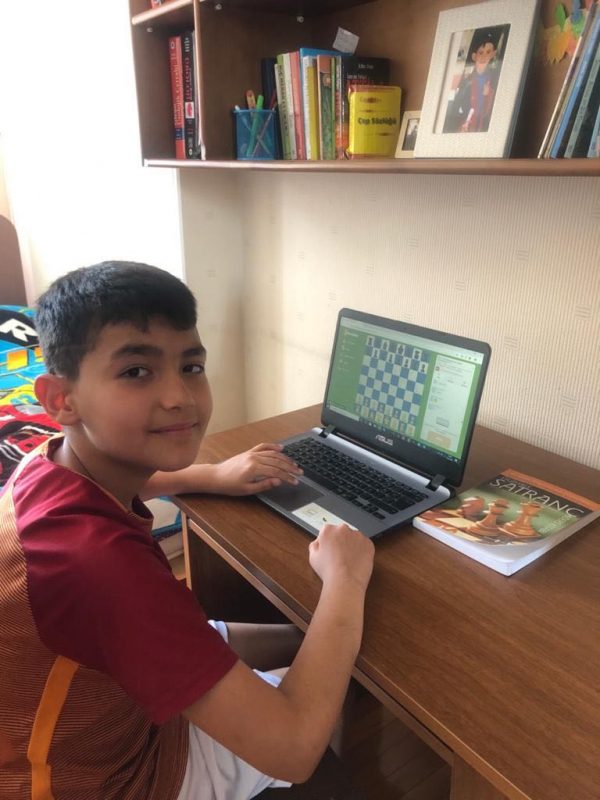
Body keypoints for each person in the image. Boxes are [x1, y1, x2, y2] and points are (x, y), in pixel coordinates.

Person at [0, 260, 374, 800]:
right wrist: (346, 580)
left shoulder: (47, 462)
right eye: (136, 371)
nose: (179, 396)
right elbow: (294, 748)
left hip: (103, 697)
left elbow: (129, 482)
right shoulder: (100, 568)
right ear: (60, 400)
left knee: (308, 644)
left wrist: (212, 475)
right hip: (119, 777)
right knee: (326, 694)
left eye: (191, 366)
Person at [444, 26, 506, 134]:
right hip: (465, 126)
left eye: (488, 52)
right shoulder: (466, 80)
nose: (484, 57)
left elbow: (491, 110)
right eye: (481, 52)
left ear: (493, 54)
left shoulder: (494, 79)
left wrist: (487, 94)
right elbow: (457, 106)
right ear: (474, 56)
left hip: (483, 127)